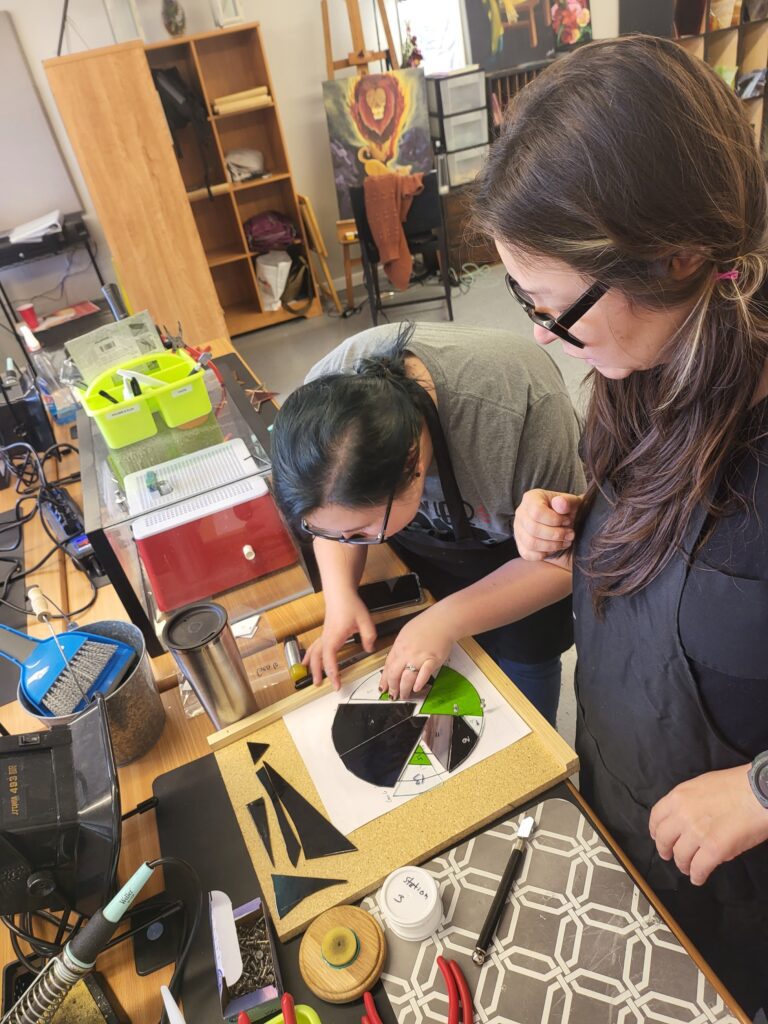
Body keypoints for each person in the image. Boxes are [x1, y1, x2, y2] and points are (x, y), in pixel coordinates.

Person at [469, 34, 768, 1017]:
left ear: (678, 257)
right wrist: (575, 521)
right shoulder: (642, 367)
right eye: (526, 302)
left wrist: (761, 792)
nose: (541, 335)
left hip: (742, 879)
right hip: (624, 794)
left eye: (558, 309)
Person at [270, 320, 584, 723]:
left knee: (525, 668)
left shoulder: (518, 411)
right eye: (336, 534)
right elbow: (334, 516)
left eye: (362, 532)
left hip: (524, 555)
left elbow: (563, 561)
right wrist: (340, 595)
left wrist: (446, 619)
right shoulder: (322, 406)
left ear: (414, 467)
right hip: (430, 544)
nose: (346, 541)